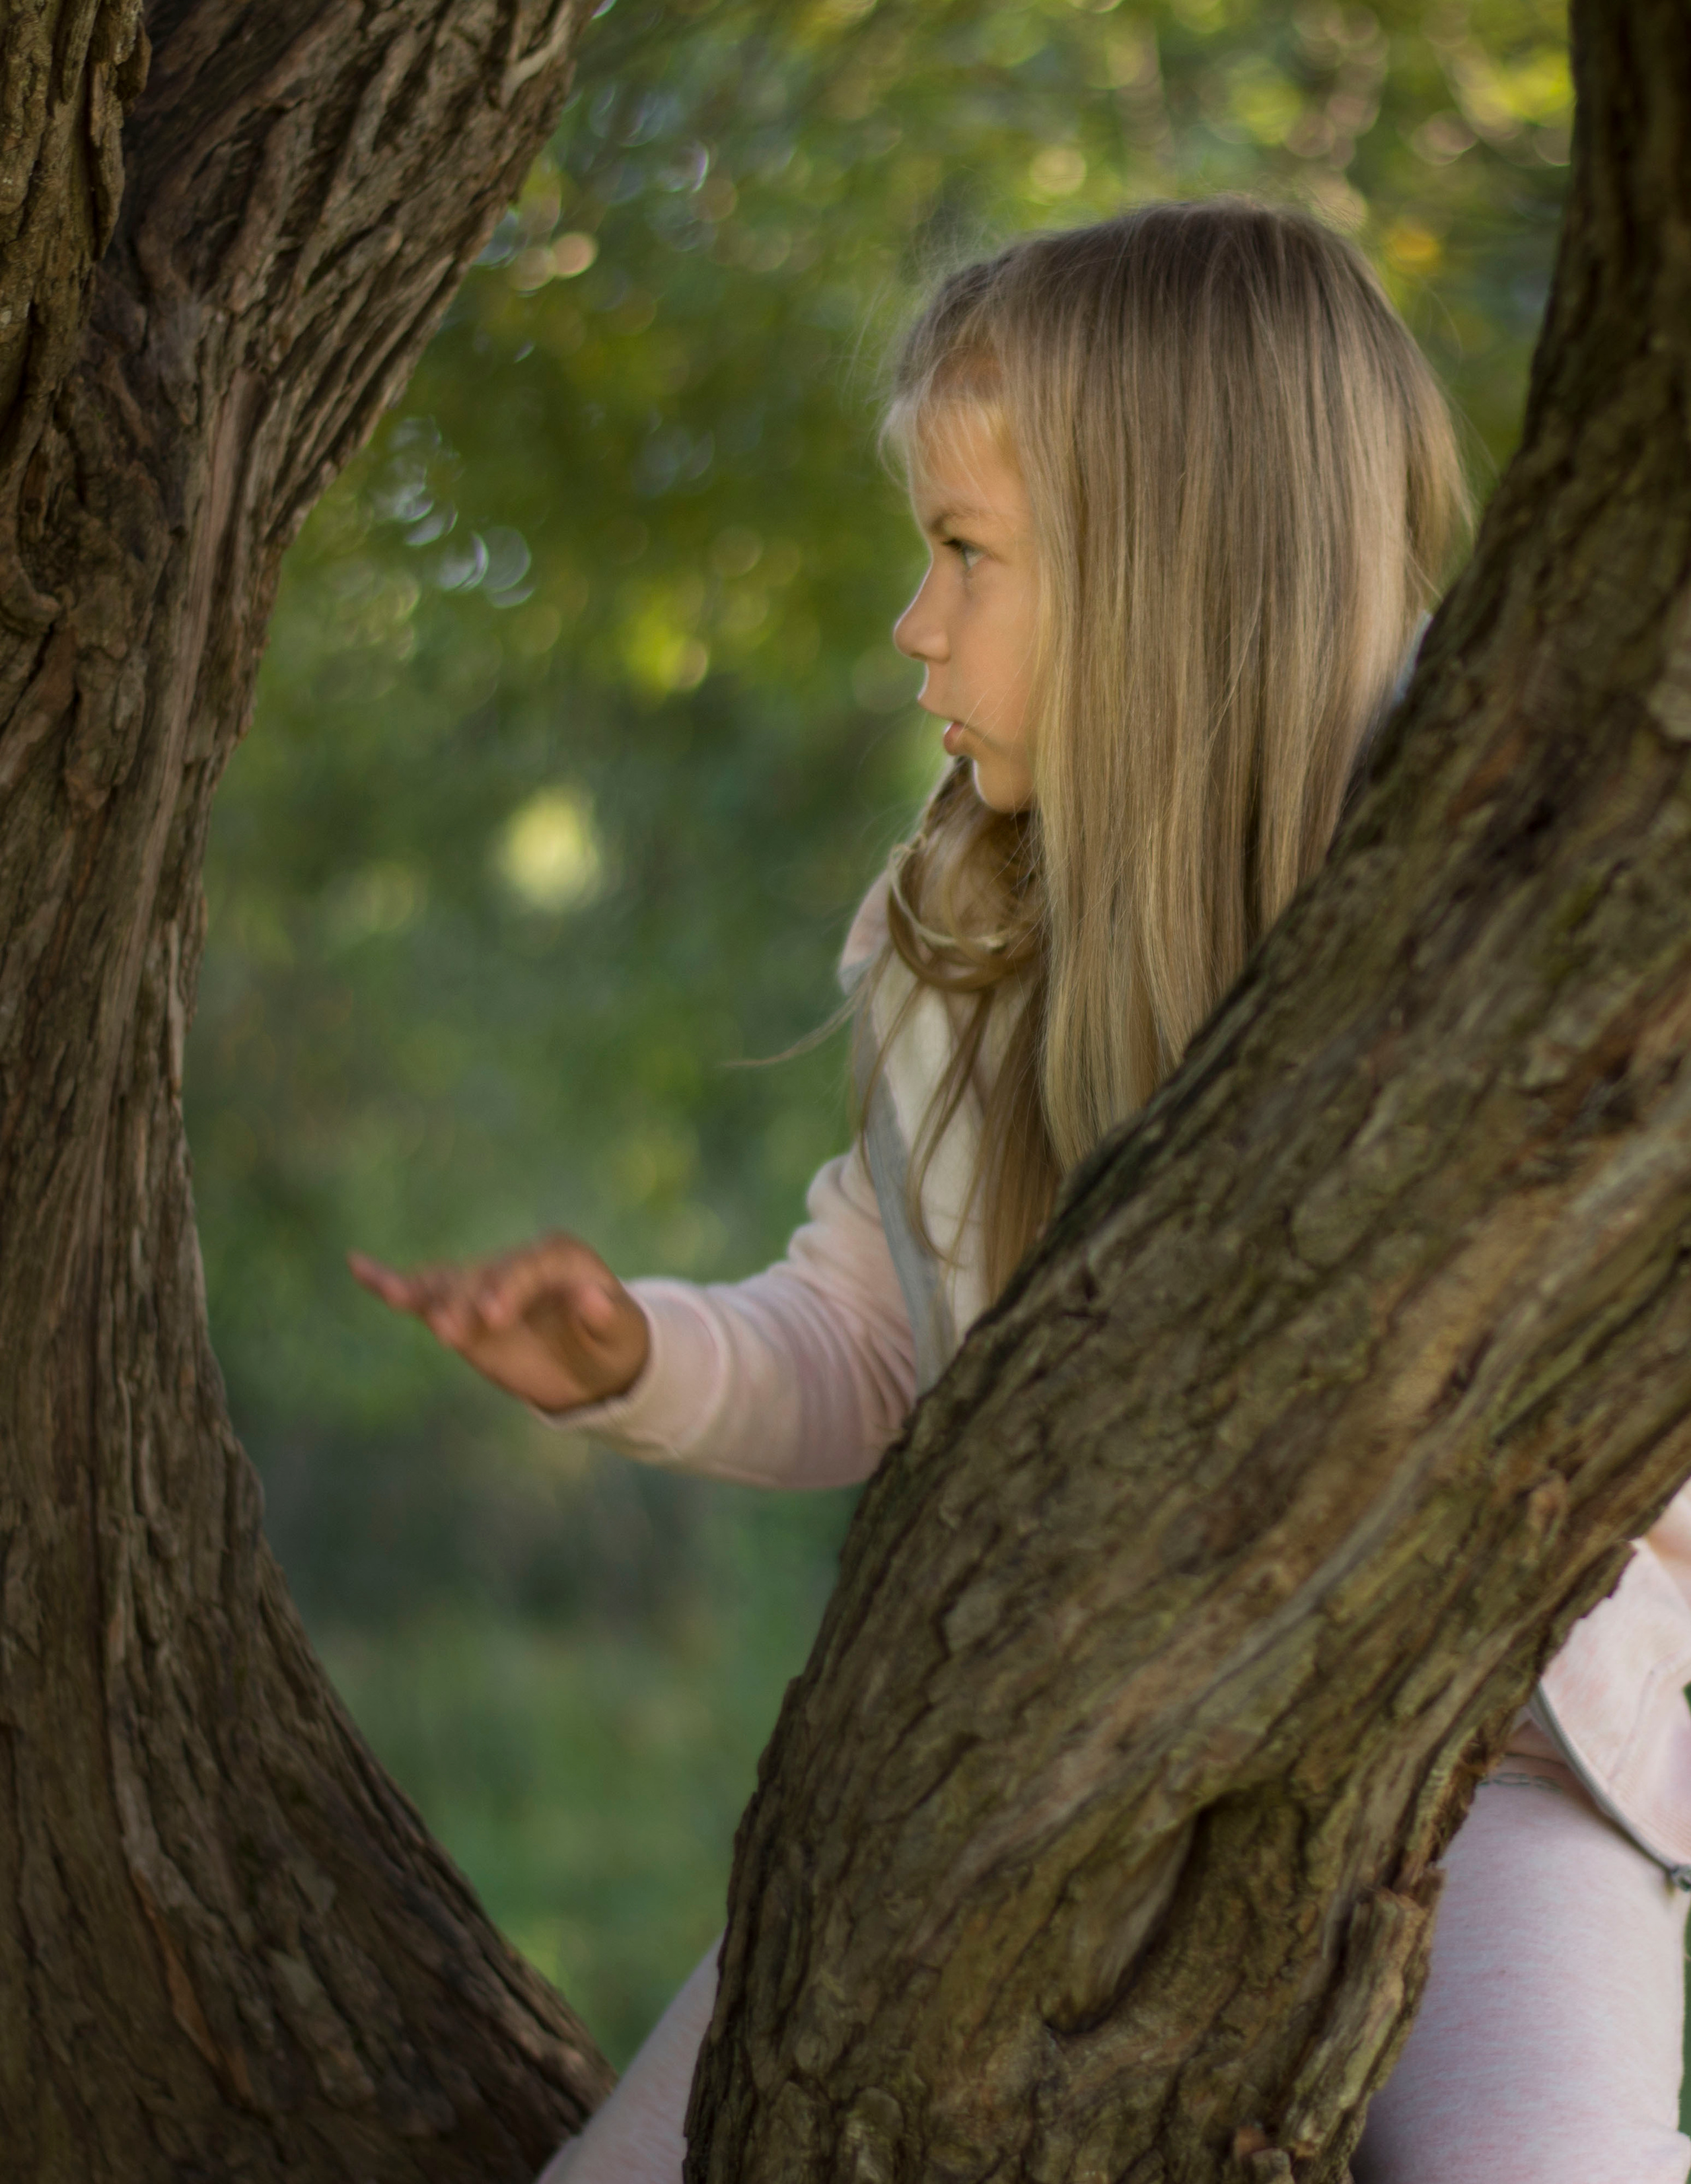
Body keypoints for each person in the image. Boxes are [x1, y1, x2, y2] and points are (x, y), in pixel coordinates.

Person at [350, 200, 1691, 2184]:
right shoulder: (964, 941)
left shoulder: (1503, 901)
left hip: (1490, 1750)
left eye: (965, 554)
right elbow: (868, 1333)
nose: (915, 621)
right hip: (1053, 1759)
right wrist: (638, 1355)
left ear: (1170, 572)